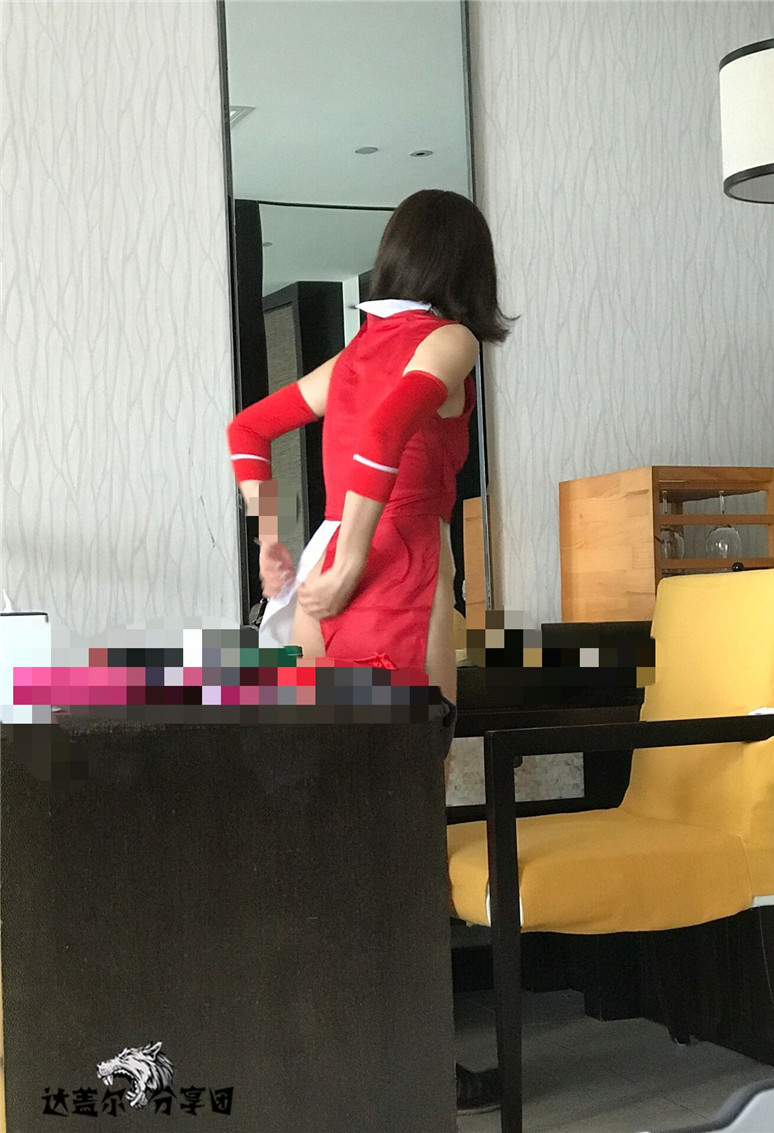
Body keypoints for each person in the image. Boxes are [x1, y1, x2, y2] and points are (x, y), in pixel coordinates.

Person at [227, 188, 510, 1115]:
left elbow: (247, 430)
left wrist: (272, 539)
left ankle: (331, 1056)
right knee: (403, 845)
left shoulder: (351, 357)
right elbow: (390, 432)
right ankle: (416, 1066)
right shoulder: (452, 341)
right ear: (466, 267)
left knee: (337, 836)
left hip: (326, 615)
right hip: (404, 592)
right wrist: (352, 558)